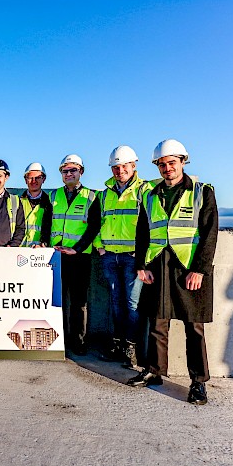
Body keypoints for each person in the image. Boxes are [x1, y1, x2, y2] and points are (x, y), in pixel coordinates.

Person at [127, 139, 218, 405]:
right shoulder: (150, 195)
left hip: (188, 267)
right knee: (157, 322)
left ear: (182, 162)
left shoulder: (202, 192)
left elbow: (209, 234)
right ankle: (154, 372)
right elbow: (142, 232)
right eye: (162, 164)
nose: (167, 168)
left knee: (194, 326)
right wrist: (141, 266)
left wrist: (199, 270)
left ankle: (198, 382)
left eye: (172, 163)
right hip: (158, 265)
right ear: (157, 166)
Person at [94, 146, 147, 368]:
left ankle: (130, 347)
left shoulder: (145, 191)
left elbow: (151, 224)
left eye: (124, 166)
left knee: (132, 304)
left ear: (133, 166)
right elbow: (95, 223)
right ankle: (117, 344)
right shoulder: (104, 194)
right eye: (116, 167)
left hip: (133, 258)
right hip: (110, 256)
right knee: (116, 303)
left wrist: (142, 254)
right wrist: (100, 247)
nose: (120, 170)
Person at [50, 154, 101, 355]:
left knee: (79, 302)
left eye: (73, 170)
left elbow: (94, 227)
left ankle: (78, 342)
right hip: (56, 256)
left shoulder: (91, 196)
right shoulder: (54, 196)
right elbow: (48, 224)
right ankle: (59, 340)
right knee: (57, 301)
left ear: (81, 172)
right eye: (65, 171)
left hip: (79, 257)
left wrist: (77, 248)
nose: (69, 174)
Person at [20, 162, 52, 247]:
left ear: (44, 179)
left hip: (39, 252)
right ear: (25, 180)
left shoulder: (50, 203)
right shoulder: (17, 202)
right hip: (18, 249)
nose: (34, 181)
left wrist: (44, 243)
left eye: (38, 177)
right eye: (30, 177)